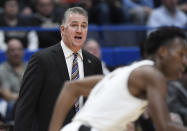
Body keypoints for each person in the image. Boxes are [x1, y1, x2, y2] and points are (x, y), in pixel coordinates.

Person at [49, 26, 187, 131]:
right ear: (162, 52)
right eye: (181, 54)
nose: (185, 61)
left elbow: (72, 87)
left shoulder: (124, 73)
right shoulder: (153, 75)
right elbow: (164, 125)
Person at [14, 7, 103, 131]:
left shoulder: (94, 62)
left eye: (83, 26)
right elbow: (25, 106)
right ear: (63, 30)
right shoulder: (41, 60)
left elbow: (98, 106)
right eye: (74, 25)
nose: (79, 30)